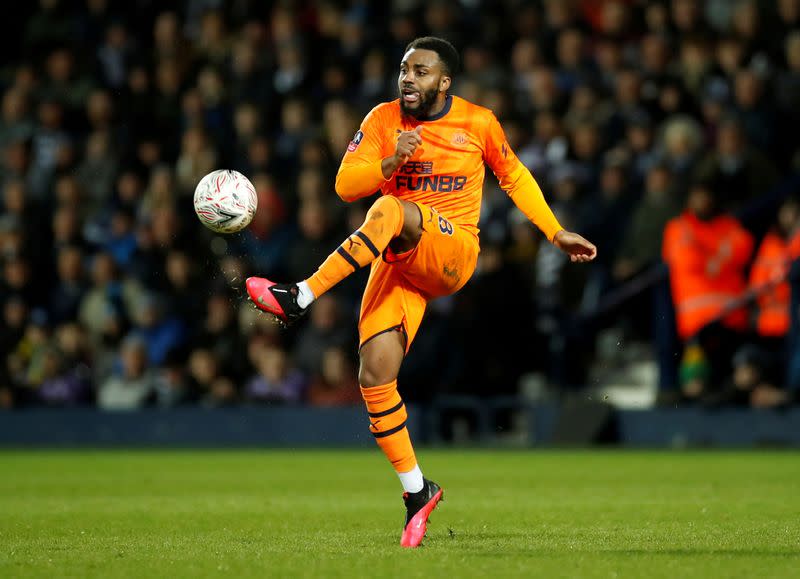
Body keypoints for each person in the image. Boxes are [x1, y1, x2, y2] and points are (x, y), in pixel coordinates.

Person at [246, 37, 596, 548]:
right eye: (404, 69)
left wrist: (554, 230)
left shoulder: (478, 123)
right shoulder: (384, 120)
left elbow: (514, 176)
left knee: (388, 210)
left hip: (453, 251)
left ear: (445, 81)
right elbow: (345, 184)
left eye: (421, 71)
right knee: (374, 375)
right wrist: (388, 163)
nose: (408, 78)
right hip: (401, 256)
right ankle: (417, 492)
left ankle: (300, 295)